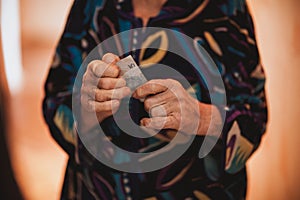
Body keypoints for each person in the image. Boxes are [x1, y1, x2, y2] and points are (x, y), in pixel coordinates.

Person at [43, 0, 268, 199]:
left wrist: (201, 117)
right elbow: (54, 100)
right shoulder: (91, 5)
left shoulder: (226, 8)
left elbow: (254, 118)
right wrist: (88, 112)